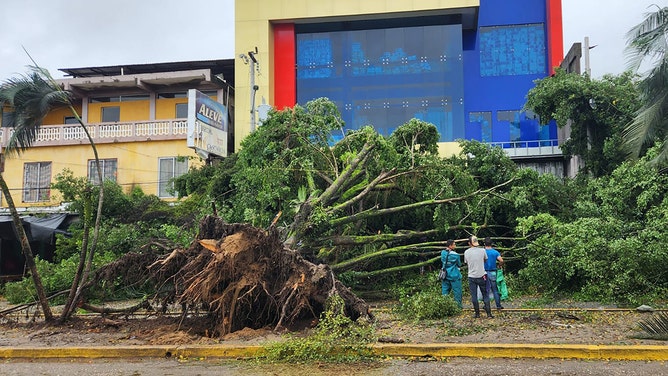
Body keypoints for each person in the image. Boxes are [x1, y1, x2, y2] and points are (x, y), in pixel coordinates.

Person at [464, 235, 493, 318]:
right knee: (485, 294)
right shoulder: (482, 251)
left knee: (474, 295)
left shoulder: (466, 252)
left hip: (471, 276)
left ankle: (477, 314)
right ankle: (489, 314)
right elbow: (485, 260)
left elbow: (466, 262)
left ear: (469, 243)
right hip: (482, 275)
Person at [483, 237, 504, 310]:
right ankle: (498, 306)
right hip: (493, 272)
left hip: (484, 272)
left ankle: (486, 305)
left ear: (484, 243)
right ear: (491, 243)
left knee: (485, 290)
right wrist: (499, 265)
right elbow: (501, 260)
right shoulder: (495, 252)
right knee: (495, 289)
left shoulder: (482, 252)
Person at [440, 239, 462, 308]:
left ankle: (444, 305)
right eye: (454, 244)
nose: (455, 245)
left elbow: (442, 261)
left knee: (445, 291)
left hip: (445, 274)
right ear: (450, 246)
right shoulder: (455, 255)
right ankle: (458, 306)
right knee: (457, 291)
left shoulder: (443, 253)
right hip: (454, 275)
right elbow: (459, 264)